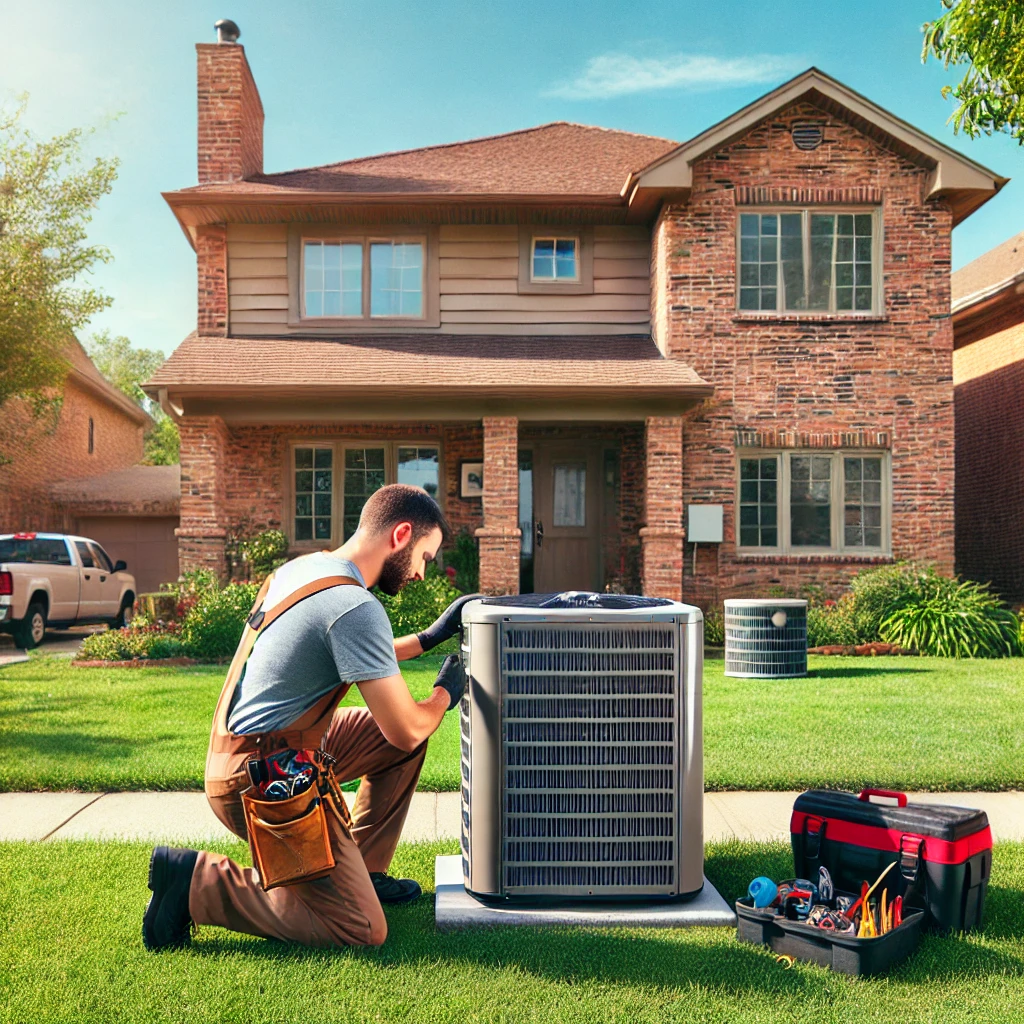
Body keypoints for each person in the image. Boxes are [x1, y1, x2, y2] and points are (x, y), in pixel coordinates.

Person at [141, 484, 477, 950]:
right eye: (424, 556)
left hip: (252, 750)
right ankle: (197, 883)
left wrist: (430, 636)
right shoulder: (355, 606)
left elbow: (355, 651)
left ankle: (364, 869)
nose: (421, 572)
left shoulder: (305, 571)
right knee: (361, 928)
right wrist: (445, 694)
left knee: (391, 736)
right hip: (259, 778)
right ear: (401, 535)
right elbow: (406, 730)